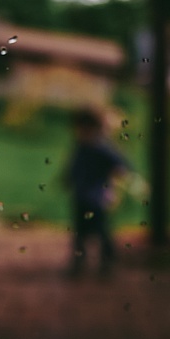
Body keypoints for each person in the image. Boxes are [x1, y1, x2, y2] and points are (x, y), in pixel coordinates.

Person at [63, 107, 128, 278]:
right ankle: (78, 263)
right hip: (82, 196)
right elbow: (74, 167)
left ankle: (107, 264)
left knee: (102, 231)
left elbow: (120, 165)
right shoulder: (81, 147)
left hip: (98, 196)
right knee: (80, 233)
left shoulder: (101, 147)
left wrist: (116, 179)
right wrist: (68, 178)